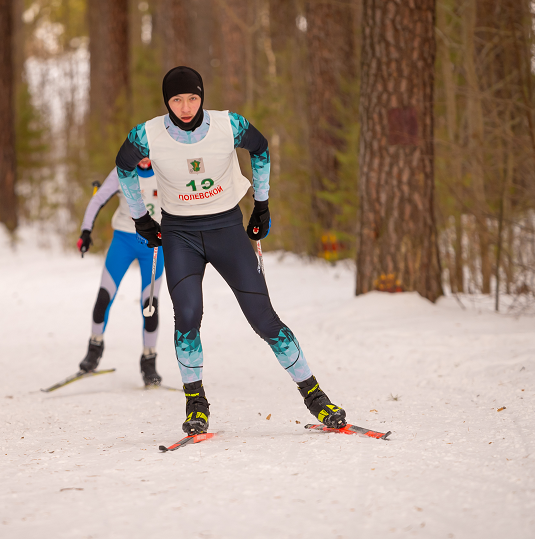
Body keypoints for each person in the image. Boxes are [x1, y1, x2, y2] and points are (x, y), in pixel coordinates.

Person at [114, 66, 347, 434]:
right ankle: (196, 405)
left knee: (264, 318)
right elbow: (123, 165)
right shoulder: (148, 134)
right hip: (180, 235)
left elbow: (262, 148)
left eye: (192, 97)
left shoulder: (228, 125)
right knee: (187, 317)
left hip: (226, 228)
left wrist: (262, 204)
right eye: (176, 99)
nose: (186, 106)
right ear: (166, 102)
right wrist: (141, 217)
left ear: (202, 96)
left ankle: (315, 396)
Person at [76, 158, 165, 386]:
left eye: (147, 151)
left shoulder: (166, 167)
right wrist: (86, 232)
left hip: (154, 245)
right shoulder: (122, 171)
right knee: (104, 296)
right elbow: (97, 200)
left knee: (150, 305)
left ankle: (149, 360)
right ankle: (94, 348)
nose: (143, 157)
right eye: (138, 151)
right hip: (123, 240)